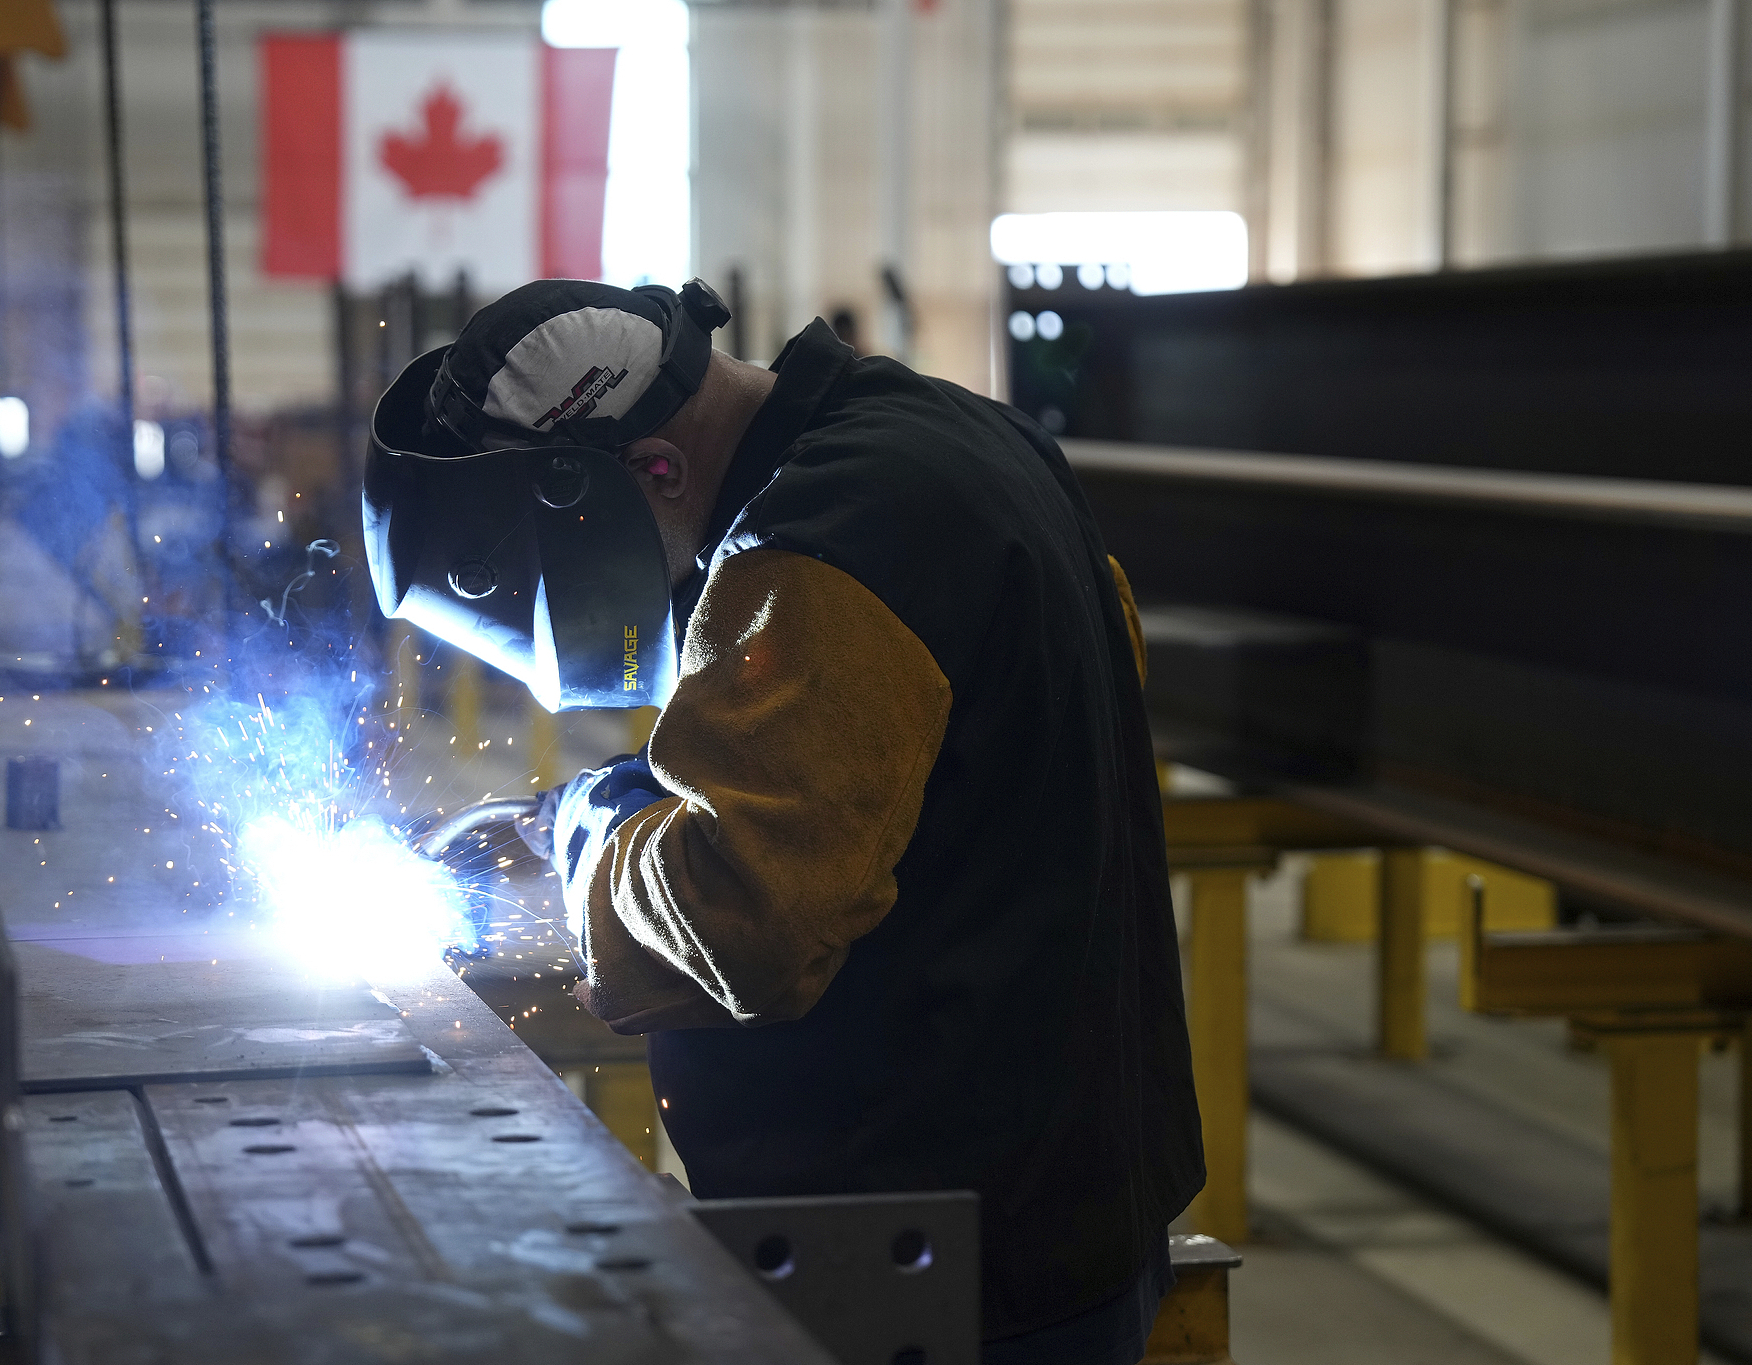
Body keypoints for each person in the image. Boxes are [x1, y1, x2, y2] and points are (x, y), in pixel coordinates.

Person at [364, 278, 1203, 1365]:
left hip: (940, 1261)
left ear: (649, 470)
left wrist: (588, 837)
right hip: (1063, 1189)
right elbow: (960, 741)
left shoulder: (818, 542)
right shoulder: (946, 432)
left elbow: (734, 921)